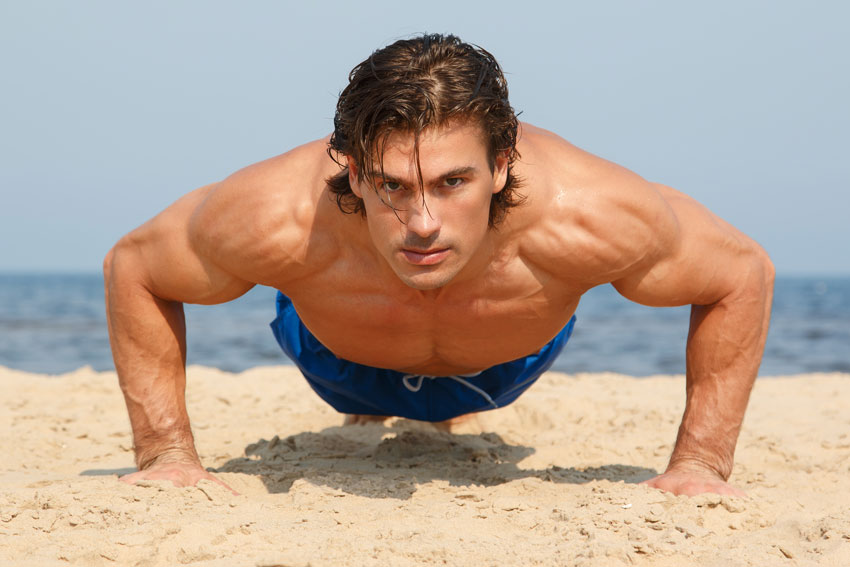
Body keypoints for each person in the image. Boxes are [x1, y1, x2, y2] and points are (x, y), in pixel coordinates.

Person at [103, 34, 774, 498]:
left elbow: (741, 272)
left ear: (502, 164)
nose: (423, 222)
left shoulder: (588, 212)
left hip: (503, 362)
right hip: (339, 361)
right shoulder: (275, 214)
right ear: (352, 170)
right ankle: (369, 397)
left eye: (454, 182)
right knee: (298, 272)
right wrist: (167, 455)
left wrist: (701, 464)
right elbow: (134, 265)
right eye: (392, 184)